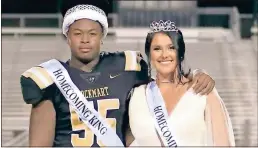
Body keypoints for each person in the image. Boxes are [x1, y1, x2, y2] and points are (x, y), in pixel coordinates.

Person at [20, 0, 215, 147]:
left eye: (93, 33)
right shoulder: (50, 78)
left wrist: (196, 74)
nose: (85, 40)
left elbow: (164, 84)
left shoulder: (127, 67)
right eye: (78, 34)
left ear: (102, 37)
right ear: (68, 38)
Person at [127, 20, 235, 147]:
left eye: (171, 48)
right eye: (157, 49)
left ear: (180, 53)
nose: (164, 55)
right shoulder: (137, 95)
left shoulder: (202, 90)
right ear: (149, 55)